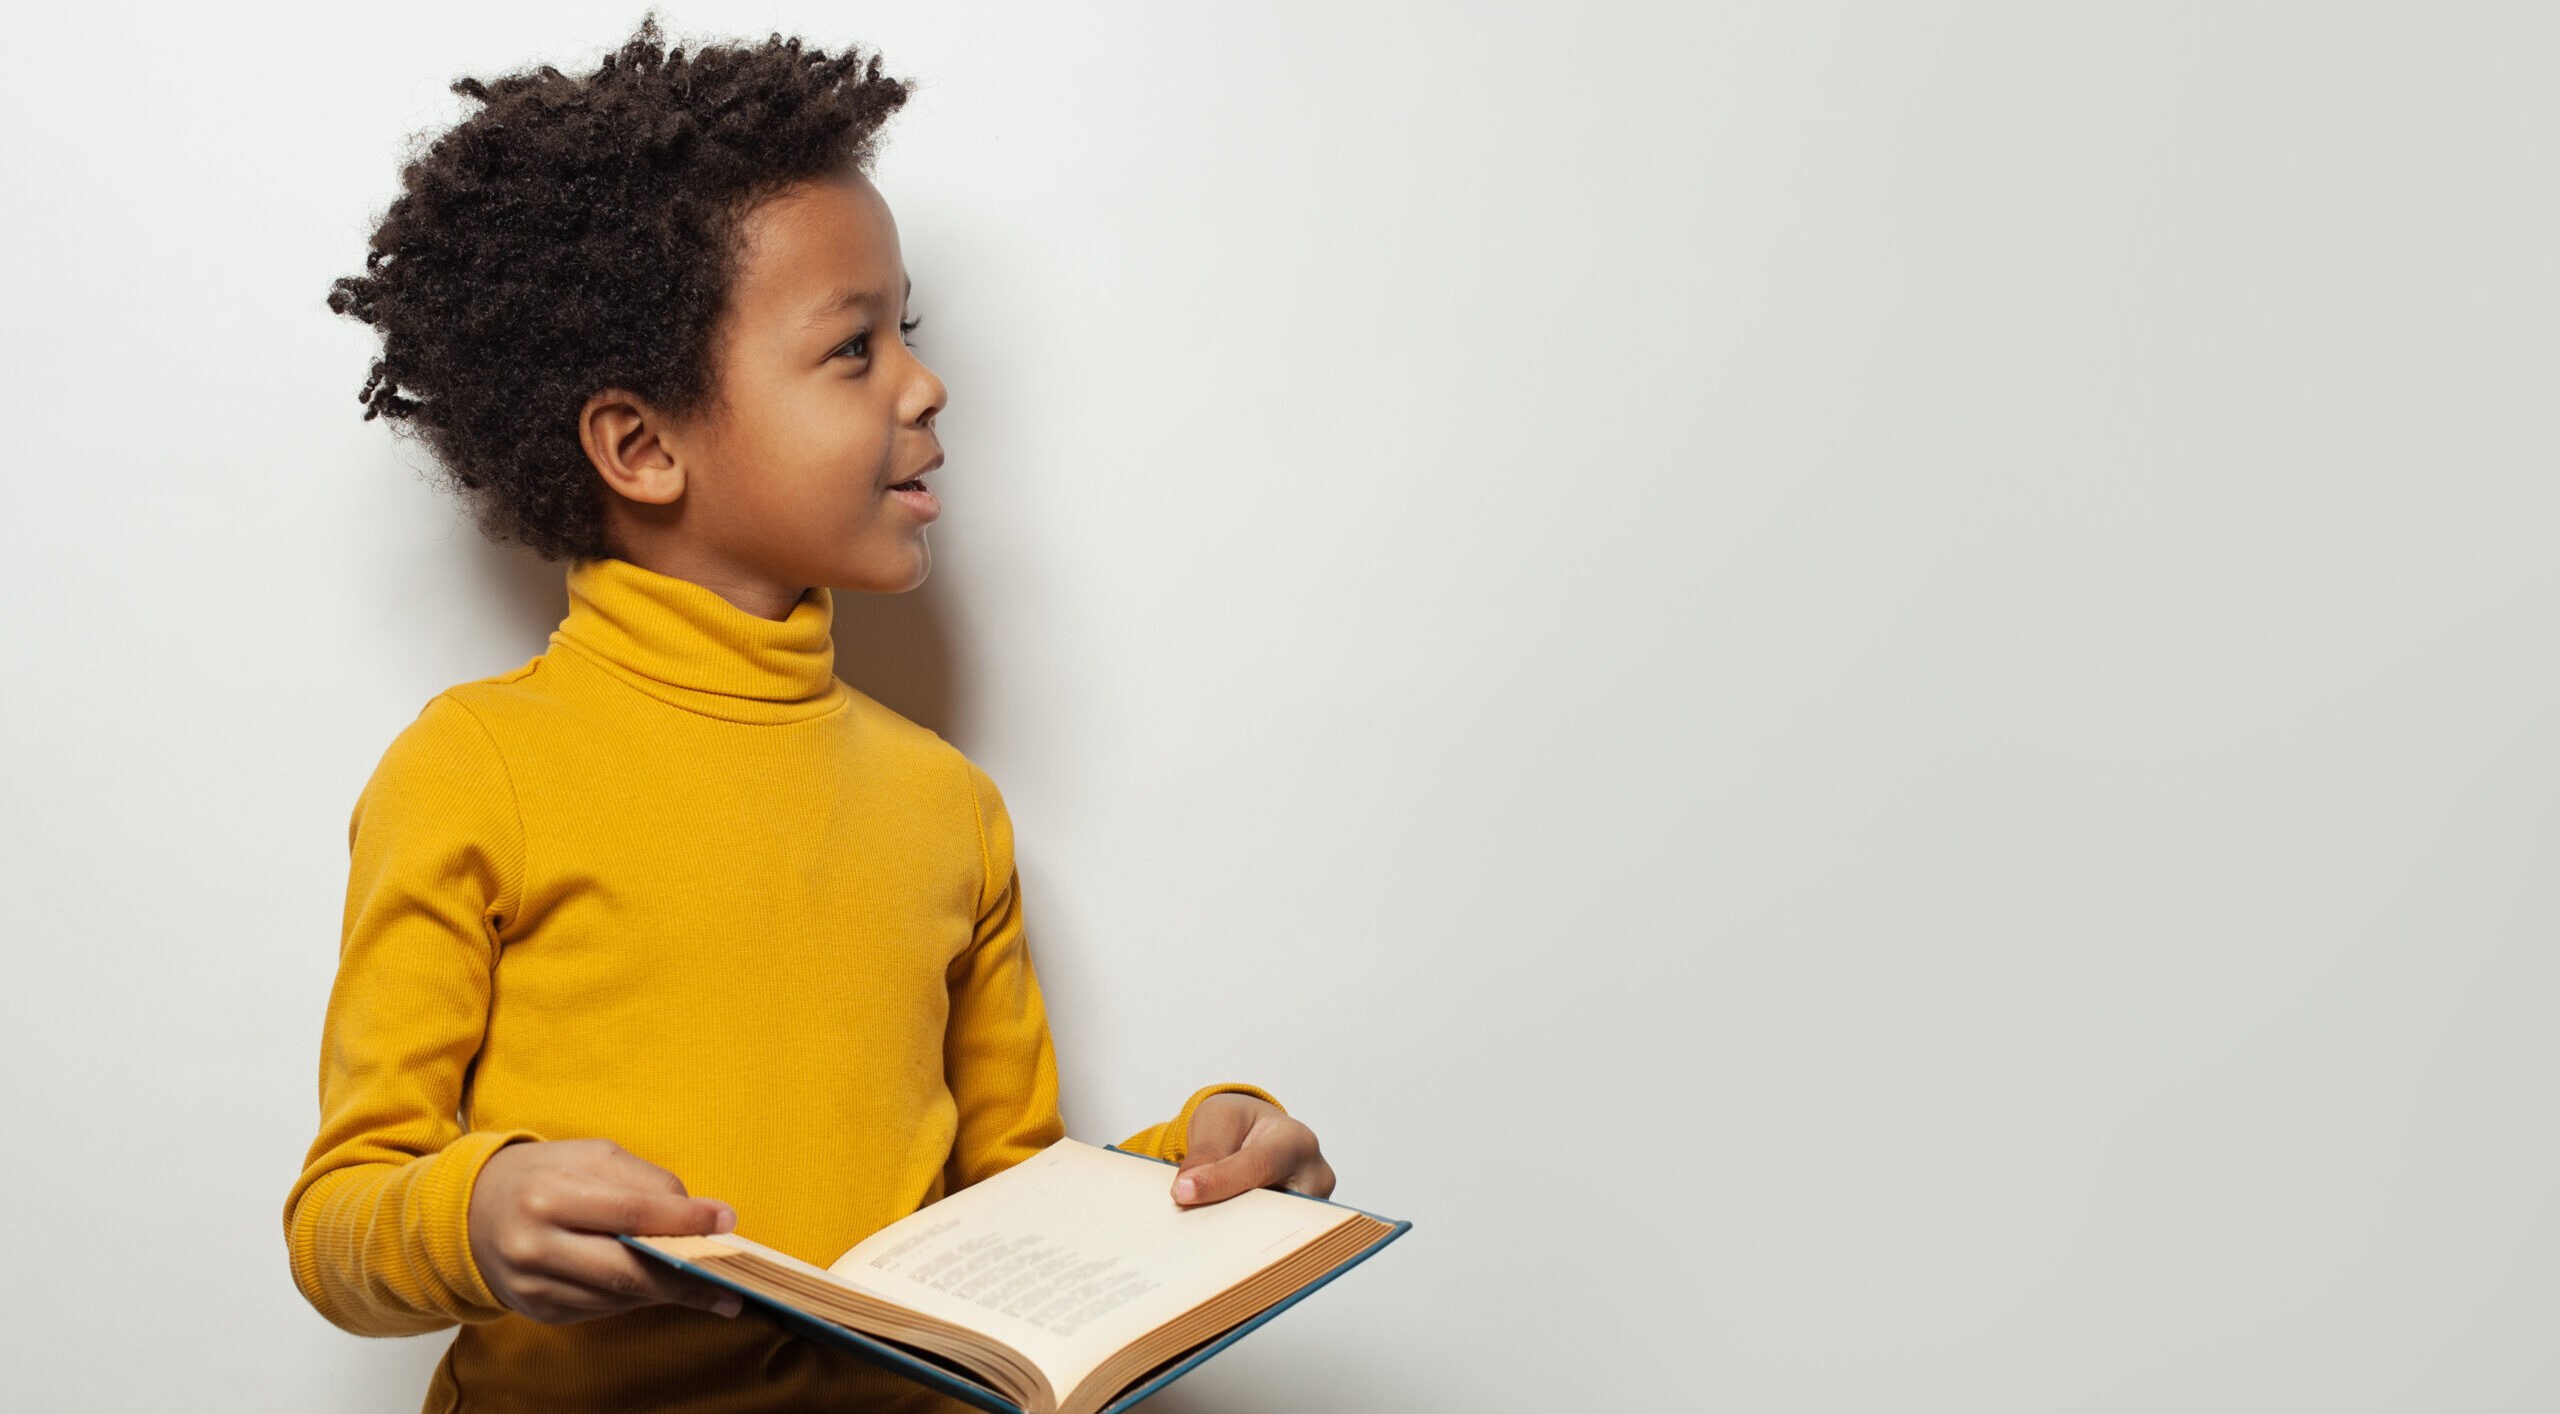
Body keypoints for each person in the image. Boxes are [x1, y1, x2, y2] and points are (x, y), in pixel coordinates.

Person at [283, 14, 1337, 1411]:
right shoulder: (477, 768)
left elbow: (1009, 1210)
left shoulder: (946, 804)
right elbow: (341, 1217)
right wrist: (477, 1209)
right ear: (643, 446)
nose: (925, 381)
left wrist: (1195, 1167)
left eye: (910, 329)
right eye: (854, 348)